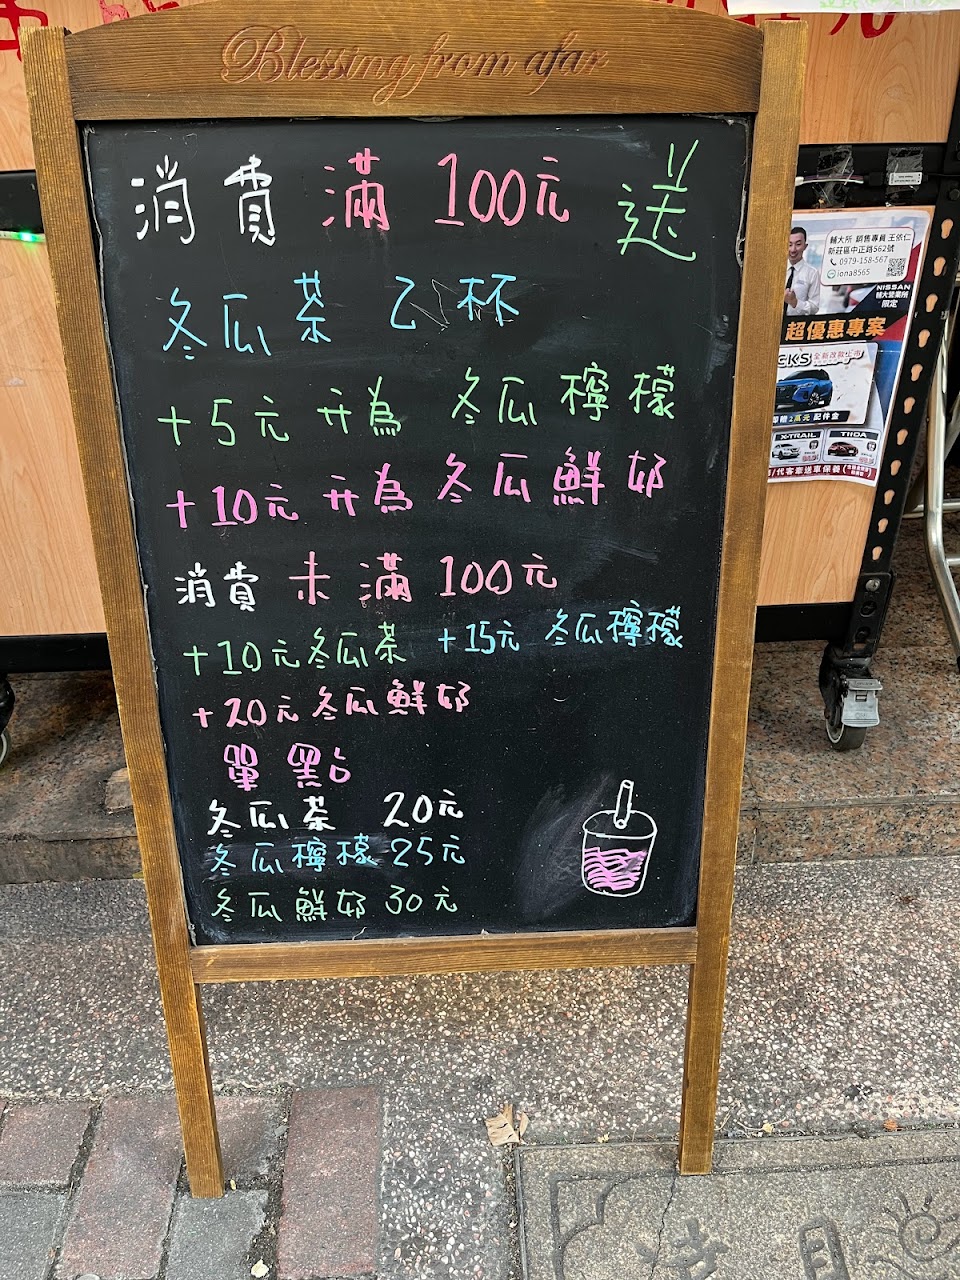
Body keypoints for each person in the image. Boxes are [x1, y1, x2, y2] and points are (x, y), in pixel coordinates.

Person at [785, 226, 820, 317]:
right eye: (789, 245)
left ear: (805, 246)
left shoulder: (812, 273)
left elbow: (814, 307)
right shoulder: (777, 270)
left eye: (798, 244)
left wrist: (795, 303)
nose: (793, 250)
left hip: (796, 323)